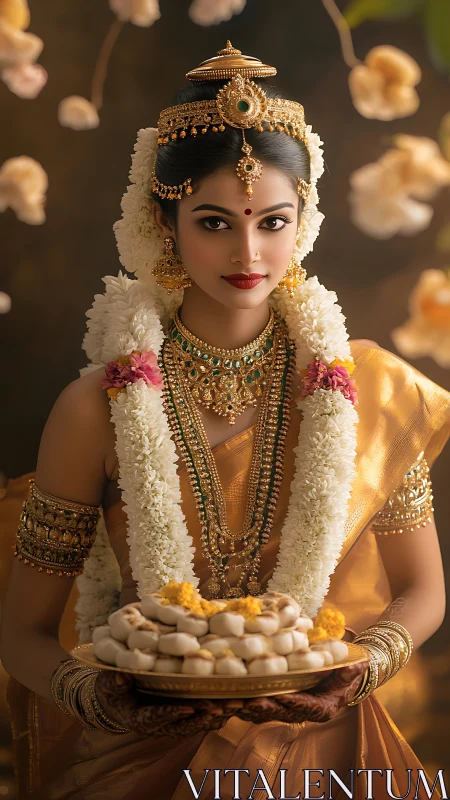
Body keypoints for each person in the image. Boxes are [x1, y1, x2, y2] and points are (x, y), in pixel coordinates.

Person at [1, 41, 450, 800]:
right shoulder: (94, 408)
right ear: (162, 221)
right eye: (214, 223)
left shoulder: (365, 387)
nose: (248, 251)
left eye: (273, 220)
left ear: (304, 219)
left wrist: (358, 666)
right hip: (146, 757)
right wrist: (103, 699)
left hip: (328, 746)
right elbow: (22, 634)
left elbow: (423, 589)